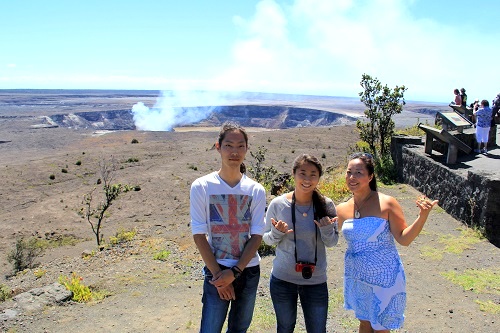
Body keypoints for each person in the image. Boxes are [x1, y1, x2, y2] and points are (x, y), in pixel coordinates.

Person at [335, 153, 438, 333]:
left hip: (386, 278)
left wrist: (423, 216)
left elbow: (404, 239)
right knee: (364, 323)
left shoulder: (387, 203)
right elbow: (328, 237)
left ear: (370, 176)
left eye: (358, 172)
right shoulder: (341, 209)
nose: (352, 177)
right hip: (357, 277)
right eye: (349, 172)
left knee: (382, 327)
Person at [190, 121, 267, 333]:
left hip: (247, 270)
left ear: (247, 149)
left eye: (240, 146)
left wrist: (234, 272)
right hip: (216, 270)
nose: (235, 152)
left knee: (239, 329)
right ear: (218, 147)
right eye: (229, 146)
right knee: (210, 328)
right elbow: (199, 235)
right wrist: (220, 276)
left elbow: (257, 235)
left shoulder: (256, 190)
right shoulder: (202, 186)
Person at [263, 154, 338, 333]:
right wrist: (277, 233)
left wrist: (326, 229)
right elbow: (266, 238)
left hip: (316, 280)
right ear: (293, 174)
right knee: (285, 327)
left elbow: (332, 242)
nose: (307, 179)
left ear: (319, 178)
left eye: (313, 174)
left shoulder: (326, 205)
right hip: (282, 279)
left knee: (317, 329)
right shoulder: (278, 204)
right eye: (302, 173)